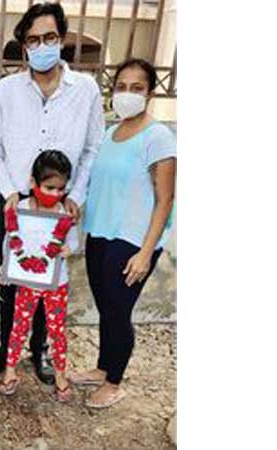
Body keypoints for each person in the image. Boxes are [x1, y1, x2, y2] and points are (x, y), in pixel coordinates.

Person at [0, 2, 105, 385]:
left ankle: (40, 351)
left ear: (62, 39)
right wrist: (9, 192)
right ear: (24, 46)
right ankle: (6, 349)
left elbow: (93, 149)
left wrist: (76, 196)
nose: (42, 46)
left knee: (50, 281)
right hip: (17, 205)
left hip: (59, 207)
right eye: (33, 40)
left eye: (49, 37)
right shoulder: (7, 90)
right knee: (13, 279)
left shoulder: (85, 90)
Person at [69, 58, 177, 408]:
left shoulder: (158, 137)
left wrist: (146, 252)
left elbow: (165, 200)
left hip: (132, 240)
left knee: (118, 310)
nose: (127, 94)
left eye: (137, 88)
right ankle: (103, 368)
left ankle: (114, 383)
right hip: (100, 232)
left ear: (150, 93)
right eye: (121, 87)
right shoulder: (109, 134)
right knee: (106, 307)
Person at [0, 150, 79, 402]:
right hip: (27, 282)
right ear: (33, 182)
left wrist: (69, 249)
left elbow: (74, 241)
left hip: (56, 283)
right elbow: (10, 240)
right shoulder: (20, 209)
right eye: (49, 188)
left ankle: (61, 375)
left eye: (60, 189)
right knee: (19, 326)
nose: (55, 194)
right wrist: (7, 268)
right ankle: (10, 371)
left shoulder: (65, 213)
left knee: (57, 330)